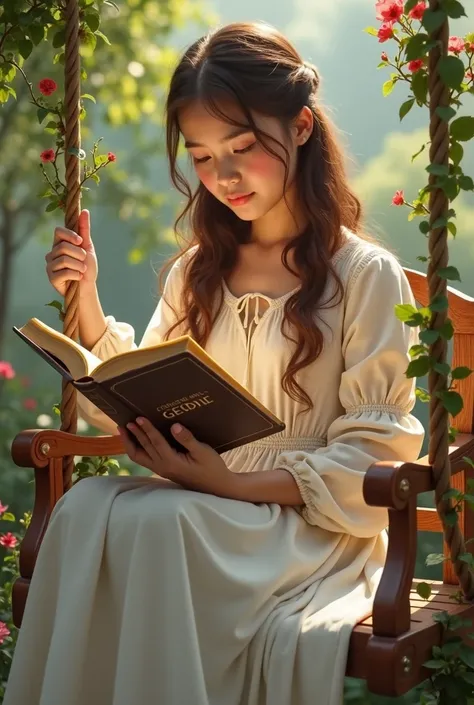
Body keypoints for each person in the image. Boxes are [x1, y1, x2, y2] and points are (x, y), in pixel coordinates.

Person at [5, 20, 424, 705]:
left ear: (302, 127)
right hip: (208, 511)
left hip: (305, 533)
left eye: (242, 148)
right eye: (201, 157)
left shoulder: (363, 276)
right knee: (84, 506)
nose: (222, 176)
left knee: (164, 524)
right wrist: (84, 299)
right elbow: (141, 383)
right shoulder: (198, 272)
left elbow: (373, 455)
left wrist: (228, 483)